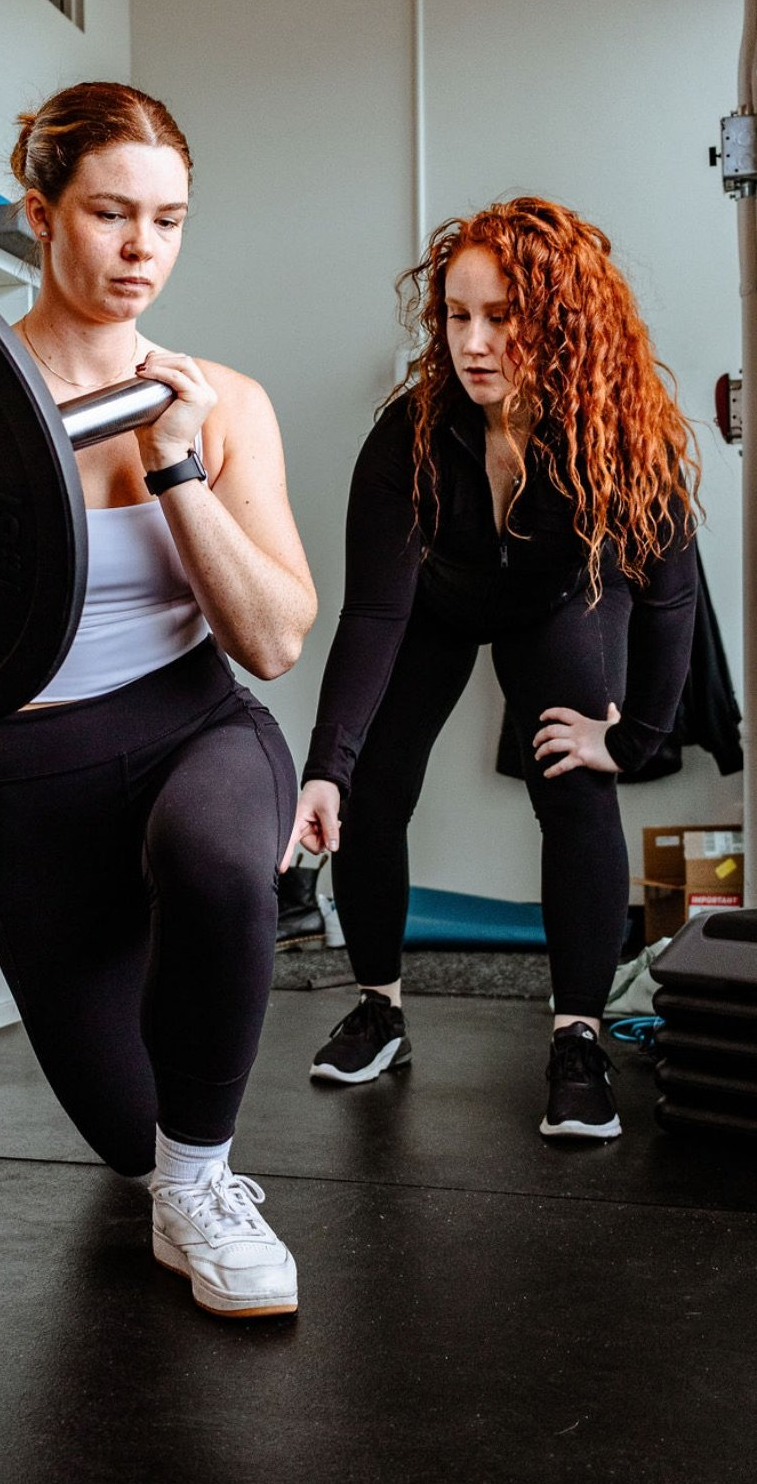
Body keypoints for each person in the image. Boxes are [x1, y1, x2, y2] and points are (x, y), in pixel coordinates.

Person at [0, 83, 316, 1316]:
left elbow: (273, 639)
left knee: (219, 861)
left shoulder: (223, 405)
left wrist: (175, 467)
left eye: (167, 222)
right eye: (111, 214)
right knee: (134, 1137)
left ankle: (209, 1193)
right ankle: (175, 1170)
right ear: (39, 214)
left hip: (194, 727)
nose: (139, 252)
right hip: (32, 781)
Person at [283, 196, 699, 1140]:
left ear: (558, 321)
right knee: (373, 791)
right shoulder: (411, 434)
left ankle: (579, 1035)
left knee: (577, 784)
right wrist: (326, 766)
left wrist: (632, 740)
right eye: (458, 315)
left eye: (502, 317)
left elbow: (671, 599)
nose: (474, 343)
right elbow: (376, 609)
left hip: (558, 603)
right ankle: (381, 1006)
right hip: (440, 602)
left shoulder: (627, 433)